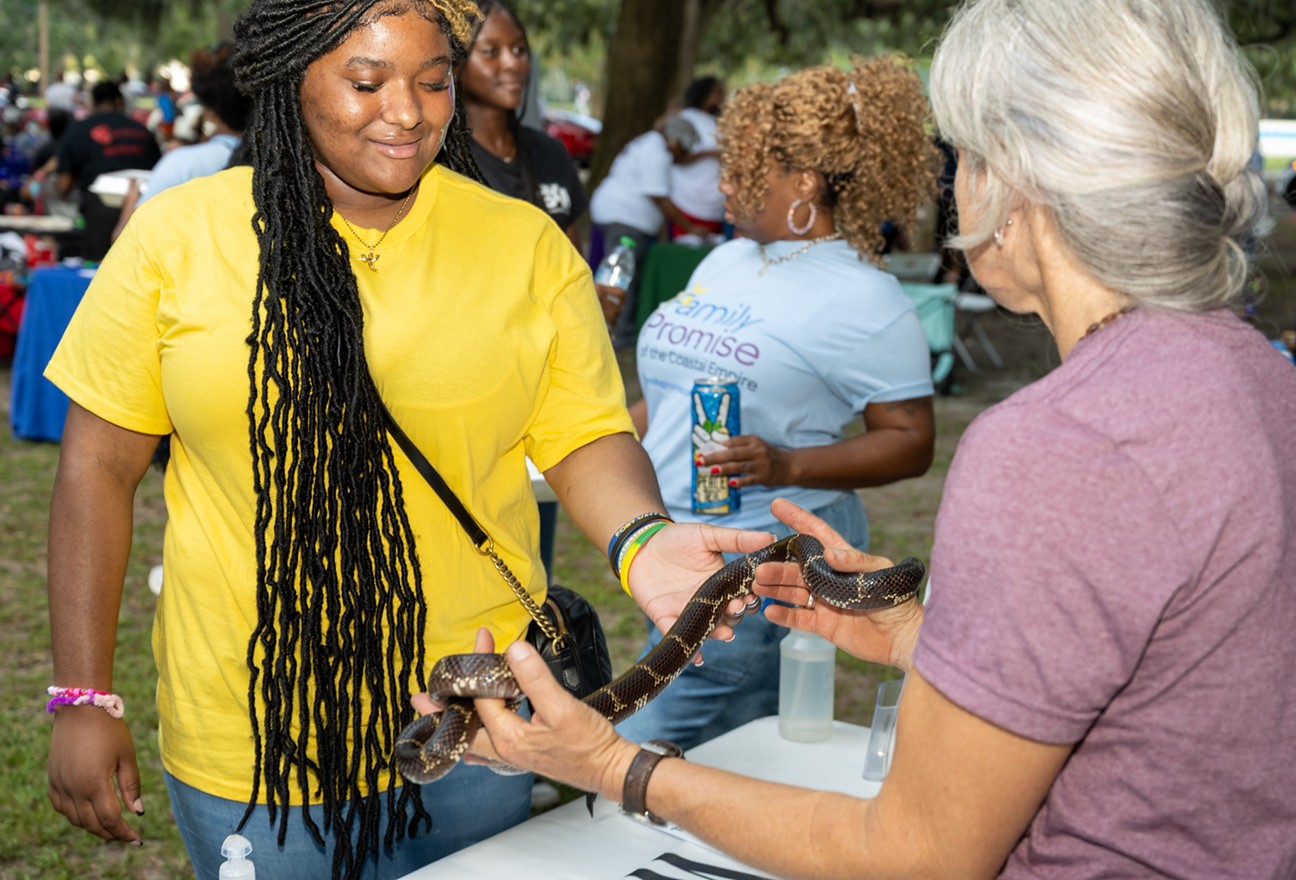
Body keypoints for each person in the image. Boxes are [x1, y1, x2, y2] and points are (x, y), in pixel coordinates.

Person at [464, 1, 1296, 876]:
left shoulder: (1058, 447)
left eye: (962, 157)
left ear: (1015, 179)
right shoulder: (1273, 385)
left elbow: (917, 856)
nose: (951, 186)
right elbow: (1170, 688)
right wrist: (924, 638)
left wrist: (614, 766)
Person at [42, 2, 764, 879]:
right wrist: (82, 696)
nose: (410, 112)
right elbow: (96, 469)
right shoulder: (178, 237)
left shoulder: (522, 243)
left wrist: (645, 541)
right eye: (366, 81)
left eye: (432, 82)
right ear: (290, 80)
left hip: (481, 723)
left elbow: (583, 436)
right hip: (255, 734)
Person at [616, 56, 938, 750]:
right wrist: (594, 450)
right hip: (680, 543)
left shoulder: (866, 296)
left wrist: (787, 464)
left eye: (743, 165)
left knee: (653, 745)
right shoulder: (726, 258)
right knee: (723, 754)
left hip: (768, 561)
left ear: (805, 181)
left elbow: (912, 438)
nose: (722, 182)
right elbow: (669, 395)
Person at [458, 1, 622, 327]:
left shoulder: (549, 152)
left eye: (520, 50)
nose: (513, 64)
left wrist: (591, 298)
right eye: (491, 51)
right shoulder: (442, 162)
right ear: (455, 59)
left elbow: (572, 262)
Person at [112, 42, 253, 241]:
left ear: (207, 107)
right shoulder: (285, 161)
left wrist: (130, 205)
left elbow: (125, 241)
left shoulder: (182, 164)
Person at [589, 113, 704, 347]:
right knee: (621, 278)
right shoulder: (656, 152)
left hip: (617, 215)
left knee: (618, 276)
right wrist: (690, 226)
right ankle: (617, 336)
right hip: (624, 219)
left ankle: (613, 333)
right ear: (674, 140)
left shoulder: (650, 143)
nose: (683, 155)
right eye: (684, 148)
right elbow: (659, 197)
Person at [53, 80, 161, 260]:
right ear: (119, 102)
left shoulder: (79, 130)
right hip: (144, 208)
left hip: (100, 210)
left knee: (99, 275)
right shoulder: (142, 131)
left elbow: (63, 185)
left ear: (93, 103)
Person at [668, 76, 726, 239]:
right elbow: (677, 157)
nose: (720, 96)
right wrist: (708, 154)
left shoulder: (718, 122)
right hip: (688, 199)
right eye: (715, 92)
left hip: (715, 202)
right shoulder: (686, 117)